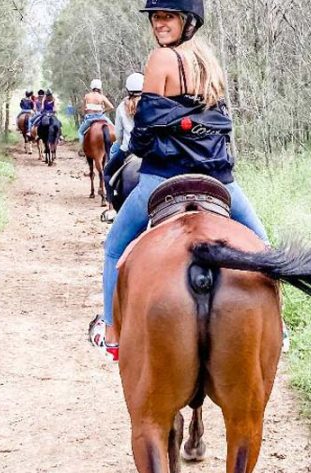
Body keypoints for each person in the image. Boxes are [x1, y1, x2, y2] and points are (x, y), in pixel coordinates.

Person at [88, 0, 269, 362]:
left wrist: (140, 144)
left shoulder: (160, 59)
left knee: (113, 247)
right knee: (262, 244)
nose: (159, 24)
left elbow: (146, 127)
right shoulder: (209, 62)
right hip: (218, 177)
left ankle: (111, 332)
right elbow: (218, 122)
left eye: (167, 16)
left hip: (164, 175)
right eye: (156, 17)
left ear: (187, 21)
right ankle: (277, 329)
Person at [103, 72, 144, 200]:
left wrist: (120, 143)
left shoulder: (122, 107)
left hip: (128, 149)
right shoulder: (152, 104)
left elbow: (118, 134)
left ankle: (112, 203)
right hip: (151, 150)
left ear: (128, 89)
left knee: (108, 172)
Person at [77, 79, 115, 147]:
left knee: (80, 132)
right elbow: (111, 107)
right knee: (115, 130)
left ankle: (82, 148)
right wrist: (103, 110)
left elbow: (84, 109)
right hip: (101, 117)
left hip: (90, 118)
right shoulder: (102, 96)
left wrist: (85, 113)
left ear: (92, 87)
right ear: (100, 87)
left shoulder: (87, 96)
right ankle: (116, 148)